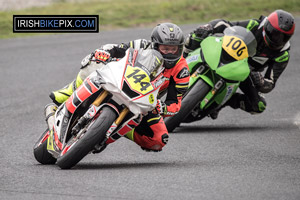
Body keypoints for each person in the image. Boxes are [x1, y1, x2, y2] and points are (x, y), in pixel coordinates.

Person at [50, 23, 190, 151]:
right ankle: (70, 92)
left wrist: (161, 107)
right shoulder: (141, 45)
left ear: (180, 48)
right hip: (119, 80)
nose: (170, 53)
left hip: (143, 102)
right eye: (165, 49)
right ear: (155, 45)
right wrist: (104, 53)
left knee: (159, 139)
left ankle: (114, 129)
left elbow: (175, 104)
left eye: (174, 49)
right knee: (94, 64)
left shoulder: (182, 71)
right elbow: (118, 49)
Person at [184, 9, 295, 118]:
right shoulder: (254, 25)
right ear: (267, 26)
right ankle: (179, 64)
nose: (277, 39)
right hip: (228, 53)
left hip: (245, 72)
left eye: (282, 37)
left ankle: (226, 101)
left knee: (258, 106)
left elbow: (270, 83)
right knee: (195, 36)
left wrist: (260, 81)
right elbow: (226, 24)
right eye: (274, 33)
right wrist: (209, 27)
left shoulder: (282, 54)